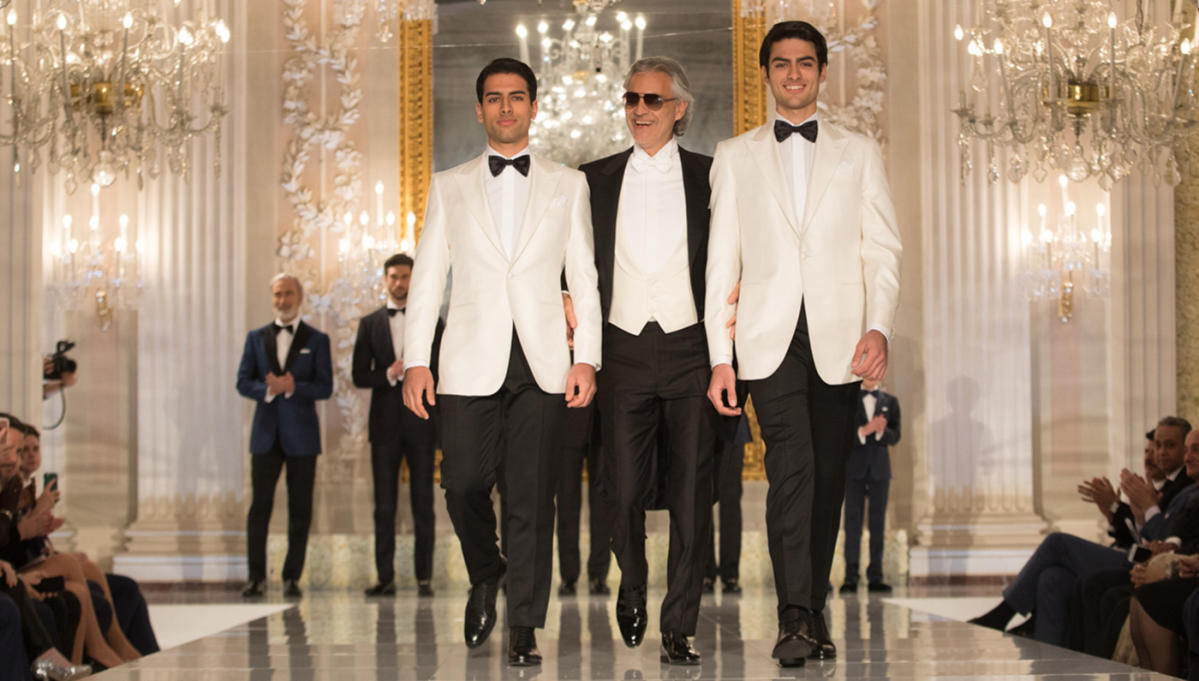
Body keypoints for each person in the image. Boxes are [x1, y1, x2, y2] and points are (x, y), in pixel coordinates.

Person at [704, 20, 902, 667]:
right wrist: (718, 358)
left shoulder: (859, 151)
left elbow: (882, 249)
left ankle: (812, 608)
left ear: (820, 71)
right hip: (766, 339)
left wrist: (878, 326)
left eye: (804, 62)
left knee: (825, 477)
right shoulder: (734, 156)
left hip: (839, 339)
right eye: (781, 63)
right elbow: (720, 265)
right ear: (766, 73)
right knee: (791, 468)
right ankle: (793, 614)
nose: (793, 73)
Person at [402, 57, 601, 667]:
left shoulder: (569, 184)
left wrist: (587, 357)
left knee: (531, 497)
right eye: (495, 98)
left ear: (534, 107)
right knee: (461, 484)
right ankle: (487, 570)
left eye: (517, 97)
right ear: (481, 107)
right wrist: (416, 359)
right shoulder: (450, 183)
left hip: (543, 361)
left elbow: (584, 279)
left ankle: (523, 626)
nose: (507, 107)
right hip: (466, 359)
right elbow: (428, 276)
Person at [578, 55, 724, 665]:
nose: (640, 110)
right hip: (622, 346)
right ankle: (632, 583)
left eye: (652, 101)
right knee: (622, 486)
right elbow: (574, 262)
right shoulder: (592, 179)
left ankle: (680, 623)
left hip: (693, 347)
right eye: (632, 99)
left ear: (679, 108)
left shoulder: (714, 177)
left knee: (692, 491)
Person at [970, 417, 1196, 646]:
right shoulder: (1169, 486)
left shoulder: (1187, 487)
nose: (1159, 453)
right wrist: (1115, 512)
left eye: (1170, 446)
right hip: (1137, 556)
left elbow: (1165, 541)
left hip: (1146, 564)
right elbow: (1145, 535)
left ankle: (1003, 613)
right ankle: (1048, 656)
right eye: (1157, 446)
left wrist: (1133, 508)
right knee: (1053, 577)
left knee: (1057, 543)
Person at [235, 273, 333, 599]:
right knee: (259, 508)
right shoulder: (255, 337)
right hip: (265, 436)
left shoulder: (317, 340)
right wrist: (267, 389)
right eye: (277, 294)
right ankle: (256, 577)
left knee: (300, 509)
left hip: (303, 438)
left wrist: (293, 388)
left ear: (300, 296)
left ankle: (292, 577)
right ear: (272, 297)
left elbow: (325, 386)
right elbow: (242, 381)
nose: (283, 300)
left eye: (288, 293)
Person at [352, 253, 441, 598]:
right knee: (384, 506)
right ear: (385, 279)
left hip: (422, 423)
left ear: (414, 278)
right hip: (385, 427)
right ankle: (385, 577)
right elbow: (359, 375)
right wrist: (389, 374)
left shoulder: (434, 320)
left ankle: (424, 578)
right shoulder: (369, 323)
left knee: (424, 504)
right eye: (393, 277)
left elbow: (443, 371)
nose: (399, 283)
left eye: (405, 276)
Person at [840, 379, 901, 593]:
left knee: (877, 524)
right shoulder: (848, 400)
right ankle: (850, 576)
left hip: (880, 471)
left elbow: (896, 435)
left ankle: (876, 576)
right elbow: (842, 434)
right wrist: (864, 431)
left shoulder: (890, 401)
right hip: (854, 470)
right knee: (852, 524)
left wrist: (881, 432)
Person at [554, 403, 613, 597]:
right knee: (566, 501)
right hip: (567, 416)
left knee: (602, 502)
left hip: (602, 418)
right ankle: (568, 576)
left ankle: (598, 575)